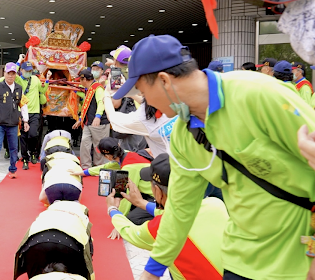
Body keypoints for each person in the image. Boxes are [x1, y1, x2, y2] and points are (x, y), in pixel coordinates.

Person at [111, 34, 315, 280]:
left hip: (297, 265)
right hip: (238, 262)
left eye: (143, 92)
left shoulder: (258, 94)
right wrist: (152, 273)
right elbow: (179, 209)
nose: (145, 102)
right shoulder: (183, 136)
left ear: (164, 81)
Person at [107, 154, 228, 280]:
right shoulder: (216, 204)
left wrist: (112, 209)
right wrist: (141, 203)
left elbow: (129, 231)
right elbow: (178, 214)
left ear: (158, 192)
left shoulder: (160, 228)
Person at [73, 137, 154, 225]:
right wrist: (83, 172)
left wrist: (119, 220)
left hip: (154, 198)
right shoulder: (126, 154)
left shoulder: (129, 167)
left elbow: (125, 194)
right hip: (148, 194)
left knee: (132, 220)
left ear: (107, 156)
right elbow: (107, 166)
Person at [14, 201, 94, 280]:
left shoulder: (45, 214)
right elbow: (88, 252)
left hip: (37, 243)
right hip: (70, 245)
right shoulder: (83, 216)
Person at [103, 77, 176, 157]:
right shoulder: (175, 100)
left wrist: (106, 94)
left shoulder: (143, 118)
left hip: (171, 165)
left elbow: (113, 119)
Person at [0, 55, 49, 169]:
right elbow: (11, 72)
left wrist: (47, 80)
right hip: (21, 112)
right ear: (21, 71)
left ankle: (33, 152)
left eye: (30, 71)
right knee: (23, 136)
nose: (28, 73)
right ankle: (25, 158)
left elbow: (42, 90)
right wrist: (19, 61)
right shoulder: (18, 80)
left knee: (33, 134)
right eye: (26, 71)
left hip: (35, 112)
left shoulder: (35, 79)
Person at [0, 62, 29, 180]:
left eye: (13, 74)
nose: (10, 76)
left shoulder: (19, 88)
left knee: (14, 147)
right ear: (4, 73)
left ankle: (13, 169)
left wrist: (25, 121)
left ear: (16, 75)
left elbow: (23, 105)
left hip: (13, 124)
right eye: (8, 73)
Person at [73, 68, 110, 170]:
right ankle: (86, 167)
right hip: (88, 122)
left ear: (84, 79)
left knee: (99, 146)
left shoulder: (98, 88)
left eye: (80, 80)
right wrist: (80, 119)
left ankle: (99, 168)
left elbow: (101, 103)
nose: (79, 83)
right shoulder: (90, 89)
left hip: (99, 122)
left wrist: (98, 116)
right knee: (84, 144)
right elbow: (86, 106)